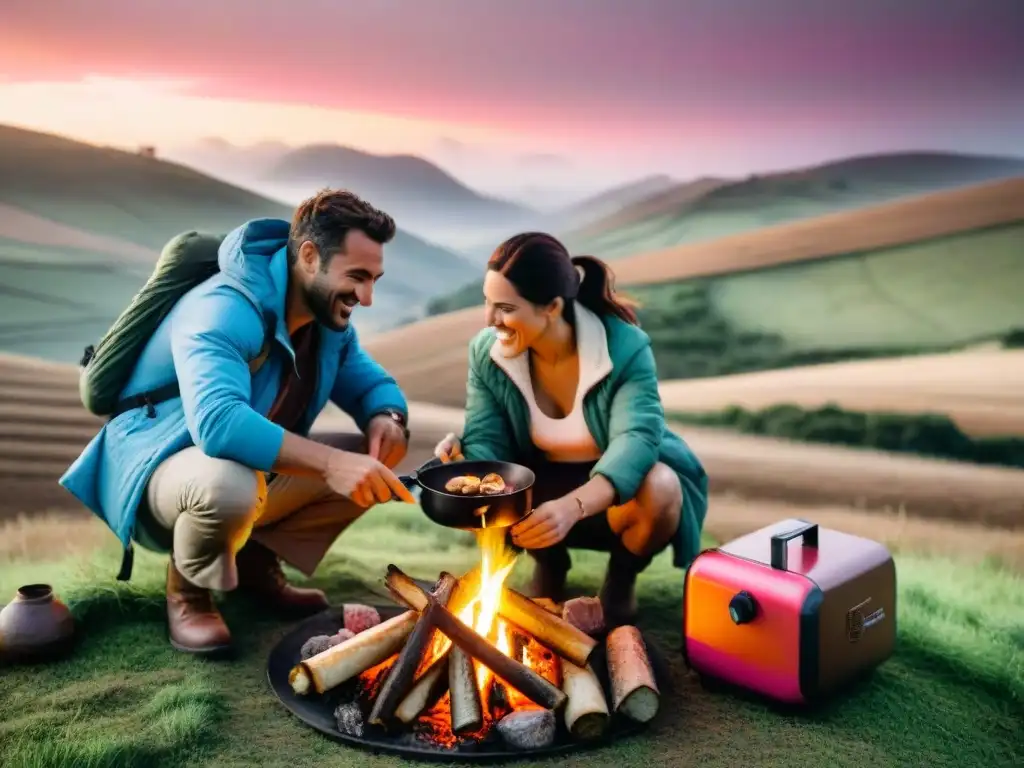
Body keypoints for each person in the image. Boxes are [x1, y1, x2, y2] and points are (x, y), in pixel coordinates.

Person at [60, 189, 416, 655]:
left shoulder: (326, 324)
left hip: (243, 470)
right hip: (161, 468)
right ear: (309, 257)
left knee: (369, 462)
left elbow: (372, 385)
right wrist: (330, 465)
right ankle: (188, 593)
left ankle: (253, 564)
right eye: (357, 277)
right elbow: (219, 424)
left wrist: (387, 419)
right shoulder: (225, 308)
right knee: (231, 483)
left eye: (375, 279)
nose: (366, 297)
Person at [434, 232, 708, 624]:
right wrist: (464, 458)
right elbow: (487, 440)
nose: (490, 319)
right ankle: (548, 563)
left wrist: (572, 507)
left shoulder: (626, 348)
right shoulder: (486, 352)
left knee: (661, 487)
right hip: (537, 488)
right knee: (485, 489)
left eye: (505, 307)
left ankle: (621, 578)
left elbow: (636, 441)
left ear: (552, 308)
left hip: (612, 496)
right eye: (487, 302)